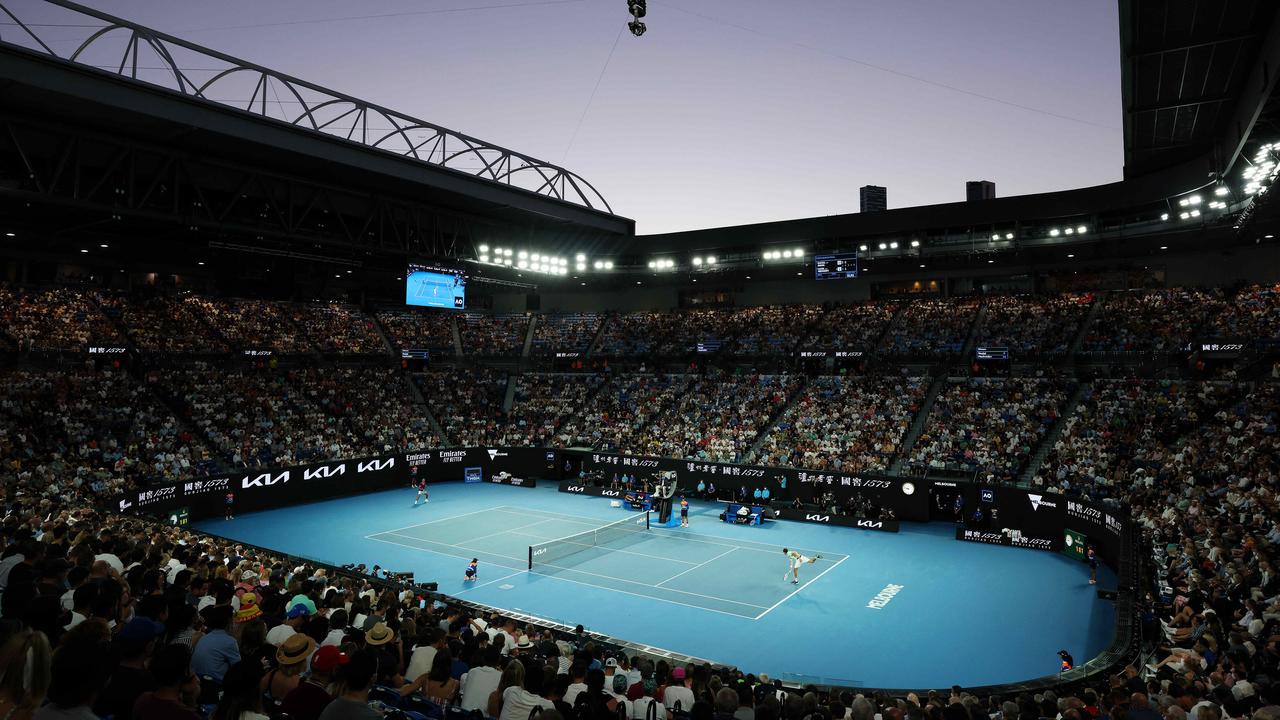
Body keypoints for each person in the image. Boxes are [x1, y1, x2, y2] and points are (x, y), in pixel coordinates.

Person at [132, 644, 201, 720]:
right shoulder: (188, 716)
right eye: (190, 667)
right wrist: (192, 701)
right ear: (185, 672)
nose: (193, 672)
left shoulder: (143, 700)